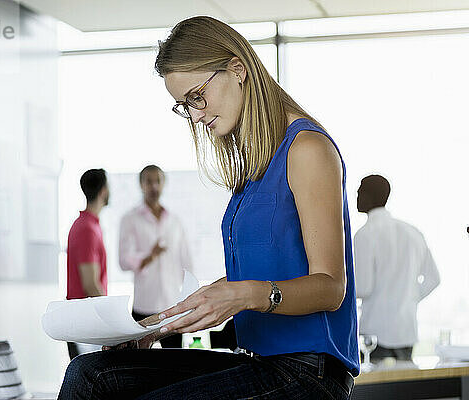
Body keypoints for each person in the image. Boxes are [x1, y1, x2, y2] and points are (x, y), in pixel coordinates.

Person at [58, 16, 359, 400]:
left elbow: (331, 287)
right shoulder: (257, 164)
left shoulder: (307, 150)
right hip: (260, 361)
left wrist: (244, 295)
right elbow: (246, 280)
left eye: (197, 96)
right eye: (185, 106)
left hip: (309, 374)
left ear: (237, 68)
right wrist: (157, 325)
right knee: (90, 373)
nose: (196, 116)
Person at [354, 174, 440, 363]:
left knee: (375, 392)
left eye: (360, 190)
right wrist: (408, 297)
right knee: (405, 390)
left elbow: (363, 288)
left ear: (370, 195)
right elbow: (434, 279)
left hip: (375, 336)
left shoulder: (365, 234)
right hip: (406, 331)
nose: (356, 195)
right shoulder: (413, 232)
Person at [119, 165, 192, 348]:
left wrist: (191, 297)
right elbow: (123, 260)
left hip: (172, 307)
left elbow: (187, 262)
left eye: (158, 181)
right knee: (140, 368)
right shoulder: (130, 219)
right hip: (144, 306)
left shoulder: (175, 221)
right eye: (148, 181)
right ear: (141, 185)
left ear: (164, 183)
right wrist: (150, 256)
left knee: (175, 367)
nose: (154, 186)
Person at [65, 168, 110, 358]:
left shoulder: (89, 225)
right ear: (104, 191)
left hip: (85, 320)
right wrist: (112, 320)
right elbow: (90, 284)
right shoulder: (86, 229)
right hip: (85, 323)